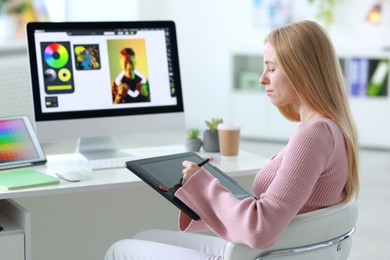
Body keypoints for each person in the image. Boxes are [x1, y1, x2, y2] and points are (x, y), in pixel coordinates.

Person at [105, 20, 359, 259]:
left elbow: (261, 228)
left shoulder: (313, 135)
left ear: (301, 71)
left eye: (271, 68)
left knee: (121, 249)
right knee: (146, 237)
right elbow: (273, 215)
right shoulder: (329, 129)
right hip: (274, 249)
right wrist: (198, 193)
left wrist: (204, 186)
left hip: (264, 254)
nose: (262, 78)